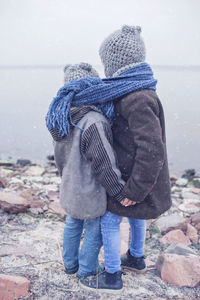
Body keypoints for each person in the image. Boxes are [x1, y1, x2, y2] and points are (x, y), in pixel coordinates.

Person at [80, 25, 171, 292]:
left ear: (114, 63)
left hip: (136, 180)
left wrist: (134, 190)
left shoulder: (136, 98)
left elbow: (152, 149)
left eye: (106, 63)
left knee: (110, 220)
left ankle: (112, 277)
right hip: (141, 179)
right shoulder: (138, 91)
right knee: (136, 217)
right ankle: (137, 257)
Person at [46, 62, 126, 279]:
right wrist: (119, 190)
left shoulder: (60, 117)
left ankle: (70, 265)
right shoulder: (94, 121)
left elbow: (59, 158)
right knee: (94, 229)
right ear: (91, 88)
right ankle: (87, 270)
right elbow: (104, 163)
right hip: (91, 189)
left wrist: (66, 178)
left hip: (70, 185)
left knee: (72, 223)